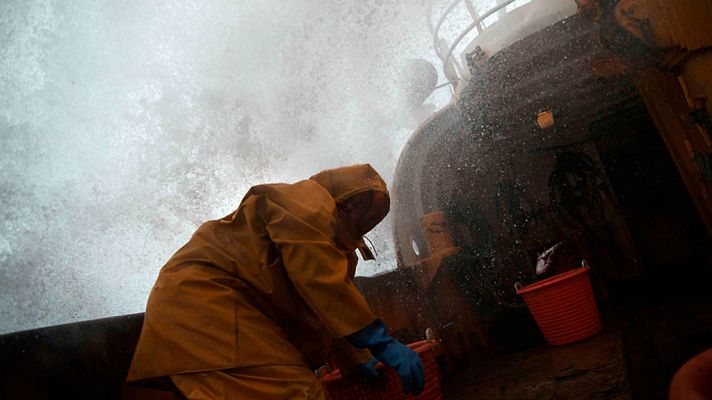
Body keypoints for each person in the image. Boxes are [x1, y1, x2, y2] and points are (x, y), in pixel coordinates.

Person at [126, 164, 424, 399]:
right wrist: (379, 342)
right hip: (206, 303)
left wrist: (357, 358)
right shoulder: (308, 201)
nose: (359, 219)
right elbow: (322, 284)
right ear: (339, 195)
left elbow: (326, 308)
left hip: (217, 313)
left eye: (368, 217)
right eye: (355, 205)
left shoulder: (333, 252)